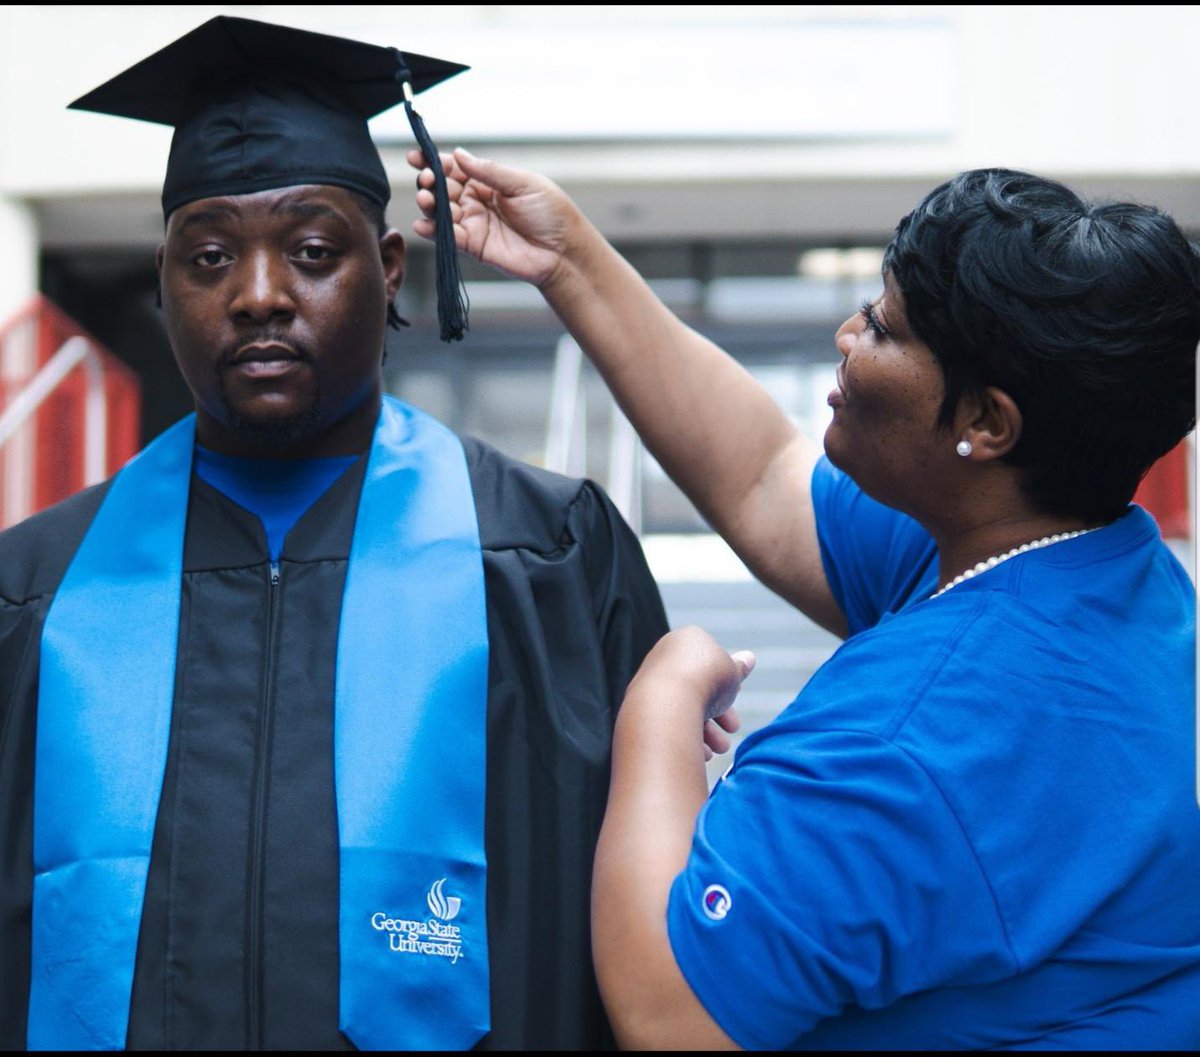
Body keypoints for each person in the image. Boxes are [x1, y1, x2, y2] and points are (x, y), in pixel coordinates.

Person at [412, 149, 1200, 1049]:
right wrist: (571, 261)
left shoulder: (911, 740)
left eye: (888, 328)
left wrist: (662, 699)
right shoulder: (1094, 558)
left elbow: (671, 1014)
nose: (847, 334)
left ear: (987, 423)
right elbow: (763, 478)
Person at [0, 18, 670, 1052]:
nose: (259, 296)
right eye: (209, 256)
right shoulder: (37, 592)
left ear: (392, 266)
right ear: (166, 281)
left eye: (312, 252)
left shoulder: (546, 562)